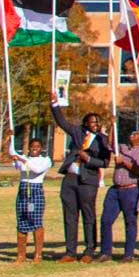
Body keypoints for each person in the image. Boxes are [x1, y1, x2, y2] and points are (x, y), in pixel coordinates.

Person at [50, 97, 108, 262]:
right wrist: (55, 105)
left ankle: (89, 250)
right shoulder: (77, 133)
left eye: (97, 122)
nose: (94, 124)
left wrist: (88, 159)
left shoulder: (102, 140)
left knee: (88, 215)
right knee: (70, 216)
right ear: (85, 123)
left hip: (88, 181)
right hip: (70, 179)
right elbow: (61, 122)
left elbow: (104, 162)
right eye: (91, 122)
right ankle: (70, 252)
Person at [98, 126, 139, 262]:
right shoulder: (122, 148)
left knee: (130, 222)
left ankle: (128, 254)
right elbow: (110, 144)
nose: (133, 134)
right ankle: (105, 252)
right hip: (115, 189)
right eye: (132, 132)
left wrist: (124, 163)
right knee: (106, 220)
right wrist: (113, 125)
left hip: (131, 189)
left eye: (137, 133)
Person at [11, 137, 52, 263]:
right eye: (32, 146)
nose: (35, 148)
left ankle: (38, 254)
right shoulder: (24, 158)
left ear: (41, 148)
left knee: (35, 220)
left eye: (37, 146)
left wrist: (22, 159)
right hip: (23, 190)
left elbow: (36, 169)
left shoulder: (45, 160)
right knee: (22, 219)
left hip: (35, 192)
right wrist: (11, 140)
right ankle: (21, 255)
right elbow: (14, 157)